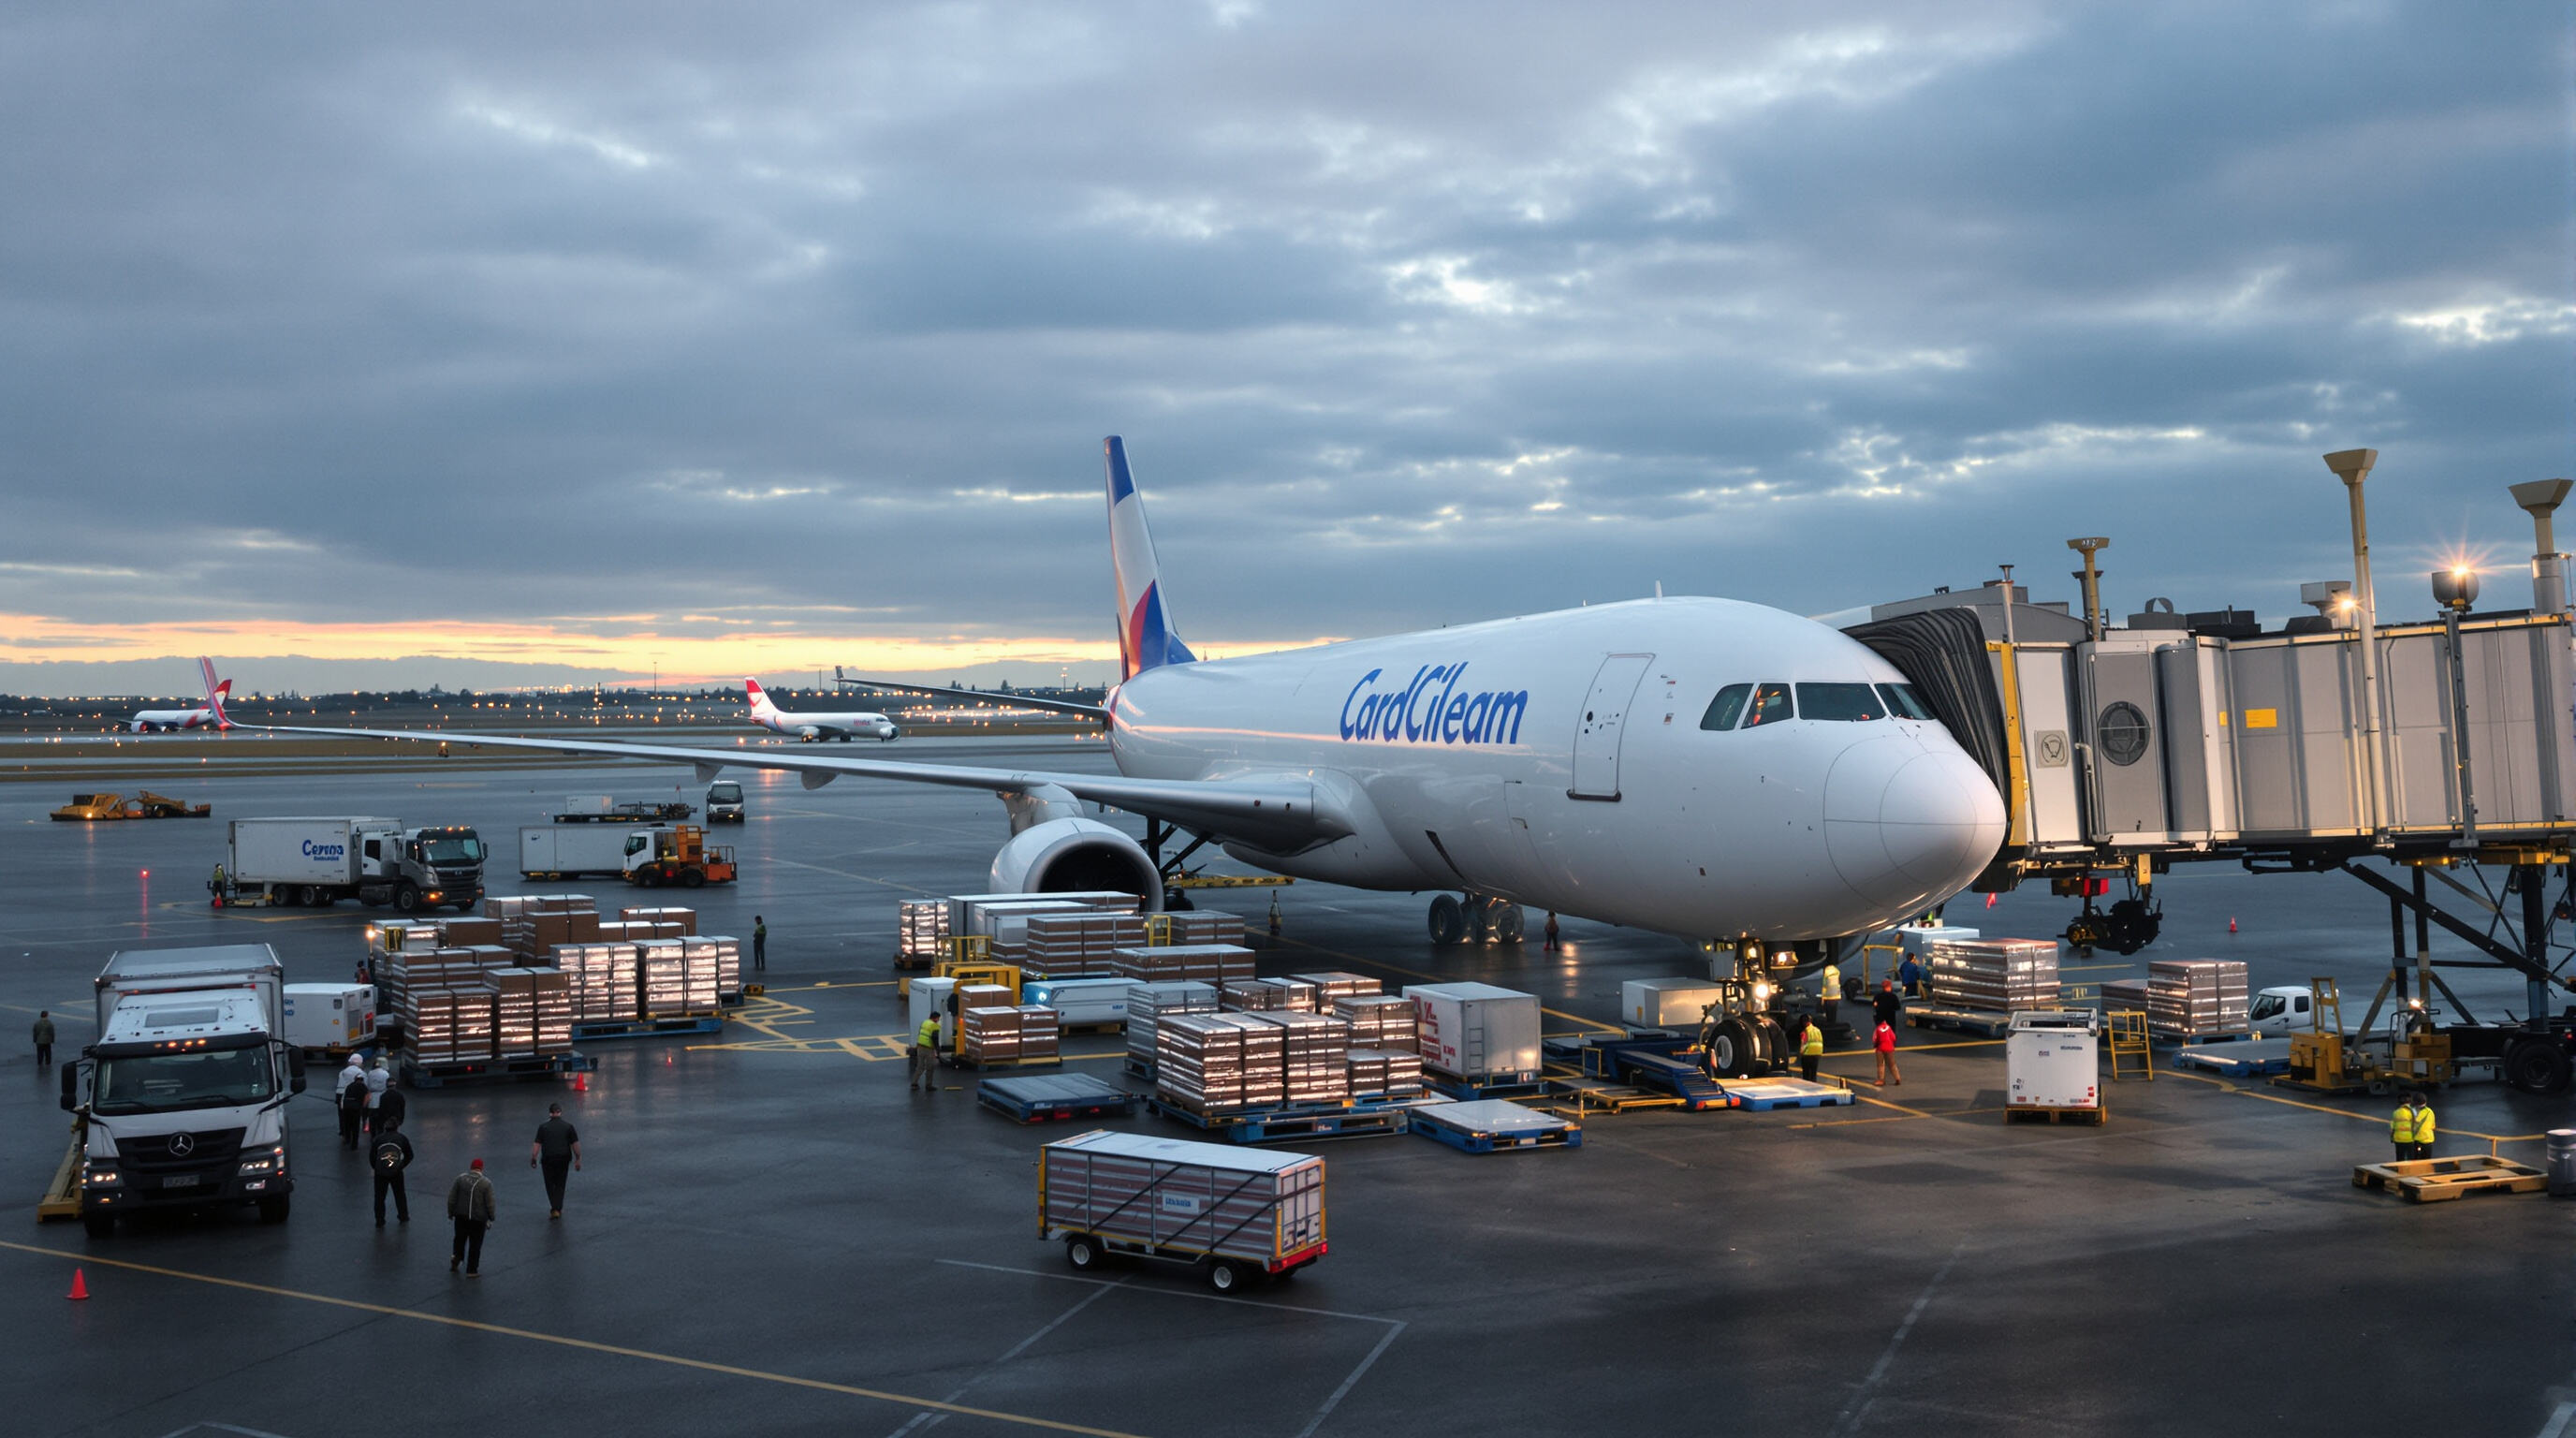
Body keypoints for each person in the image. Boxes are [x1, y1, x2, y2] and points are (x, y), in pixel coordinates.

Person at [531, 1103, 581, 1219]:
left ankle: (555, 1207)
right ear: (560, 1112)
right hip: (563, 1159)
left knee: (550, 1184)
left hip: (548, 1159)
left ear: (550, 1113)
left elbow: (537, 1144)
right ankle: (557, 1208)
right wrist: (578, 1158)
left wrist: (533, 1157)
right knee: (560, 1183)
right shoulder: (568, 1126)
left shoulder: (543, 1127)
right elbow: (575, 1145)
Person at [447, 1158, 496, 1276]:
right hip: (478, 1219)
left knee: (459, 1239)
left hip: (461, 1216)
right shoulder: (486, 1183)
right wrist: (491, 1217)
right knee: (475, 1244)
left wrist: (451, 1212)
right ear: (481, 1168)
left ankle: (457, 1257)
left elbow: (452, 1198)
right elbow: (490, 1203)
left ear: (471, 1167)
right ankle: (472, 1270)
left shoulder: (460, 1179)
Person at [370, 1116, 414, 1226]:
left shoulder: (378, 1139)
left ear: (385, 1127)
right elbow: (410, 1155)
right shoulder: (402, 1138)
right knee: (399, 1194)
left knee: (379, 1197)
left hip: (380, 1172)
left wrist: (377, 1168)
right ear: (396, 1127)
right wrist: (401, 1166)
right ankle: (403, 1215)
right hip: (396, 1171)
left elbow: (372, 1157)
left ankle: (380, 1220)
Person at [2390, 1092, 2436, 1162]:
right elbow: (2432, 1126)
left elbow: (2392, 1127)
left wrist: (2392, 1137)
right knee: (2422, 1161)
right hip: (2420, 1140)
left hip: (2406, 1140)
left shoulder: (2397, 1112)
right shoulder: (2428, 1112)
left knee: (2404, 1159)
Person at [337, 1054, 370, 1149]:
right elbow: (365, 1087)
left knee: (343, 1118)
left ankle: (345, 1135)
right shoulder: (361, 1073)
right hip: (355, 1099)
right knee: (355, 1122)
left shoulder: (343, 1072)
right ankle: (354, 1141)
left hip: (342, 1096)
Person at [911, 1013, 941, 1092]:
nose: (938, 1020)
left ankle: (914, 1083)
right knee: (930, 1067)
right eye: (938, 1018)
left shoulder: (924, 1022)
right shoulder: (934, 1025)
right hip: (928, 1048)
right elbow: (935, 1038)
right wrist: (937, 1050)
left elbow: (920, 1033)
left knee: (920, 1066)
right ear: (935, 1018)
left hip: (920, 1046)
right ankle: (928, 1085)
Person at [362, 1056, 391, 1137]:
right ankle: (381, 1133)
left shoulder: (370, 1073)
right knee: (382, 1119)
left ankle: (373, 1135)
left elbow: (367, 1085)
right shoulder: (386, 1074)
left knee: (372, 1119)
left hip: (373, 1099)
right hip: (383, 1097)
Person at [1874, 1018, 1902, 1087]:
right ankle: (1897, 1078)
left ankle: (1881, 1080)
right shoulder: (1888, 1027)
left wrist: (1876, 1046)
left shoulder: (1877, 1029)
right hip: (1889, 1048)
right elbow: (1893, 1037)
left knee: (1880, 1064)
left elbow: (1875, 1039)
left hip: (1880, 1048)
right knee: (1892, 1064)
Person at [1798, 1014, 1824, 1083]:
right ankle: (1814, 1086)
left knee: (1806, 1074)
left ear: (1804, 1022)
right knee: (1813, 1074)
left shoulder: (1805, 1032)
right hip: (1817, 1054)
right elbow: (1821, 1041)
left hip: (1807, 1054)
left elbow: (1803, 1044)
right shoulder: (1817, 1030)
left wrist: (1800, 1054)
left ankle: (1807, 1088)